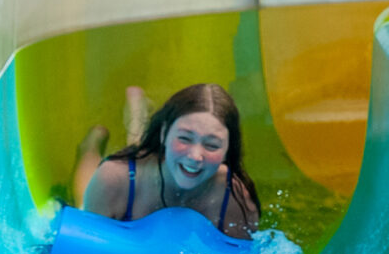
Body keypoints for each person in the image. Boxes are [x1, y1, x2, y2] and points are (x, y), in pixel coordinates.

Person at [76, 81, 261, 240]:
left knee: (162, 156)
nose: (196, 156)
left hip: (162, 163)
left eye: (212, 145)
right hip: (135, 177)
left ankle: (140, 114)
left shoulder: (233, 197)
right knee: (87, 195)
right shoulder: (115, 177)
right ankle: (92, 143)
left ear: (228, 150)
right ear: (164, 133)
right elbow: (86, 253)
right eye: (185, 138)